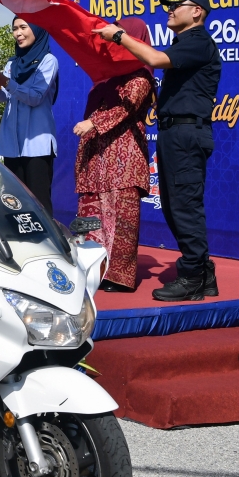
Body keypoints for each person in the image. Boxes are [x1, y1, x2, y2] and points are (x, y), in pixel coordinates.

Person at [95, 0, 220, 301]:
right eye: (168, 5)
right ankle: (203, 274)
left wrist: (120, 35)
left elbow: (153, 58)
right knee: (174, 207)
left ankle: (193, 276)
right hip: (174, 134)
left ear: (197, 12)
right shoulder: (185, 43)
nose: (170, 10)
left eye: (177, 6)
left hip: (186, 135)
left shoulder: (198, 40)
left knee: (184, 207)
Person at [73, 18, 155, 292]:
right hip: (98, 154)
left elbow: (127, 108)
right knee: (95, 212)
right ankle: (94, 268)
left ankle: (119, 276)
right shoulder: (106, 76)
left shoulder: (141, 74)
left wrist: (94, 123)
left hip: (124, 154)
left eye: (120, 36)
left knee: (121, 217)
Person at [0, 17, 59, 213]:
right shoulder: (12, 63)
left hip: (37, 143)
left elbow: (35, 96)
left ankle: (46, 242)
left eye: (23, 27)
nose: (18, 33)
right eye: (14, 29)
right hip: (12, 144)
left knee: (39, 202)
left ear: (37, 29)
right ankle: (21, 241)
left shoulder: (48, 61)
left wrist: (7, 82)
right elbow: (4, 98)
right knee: (15, 201)